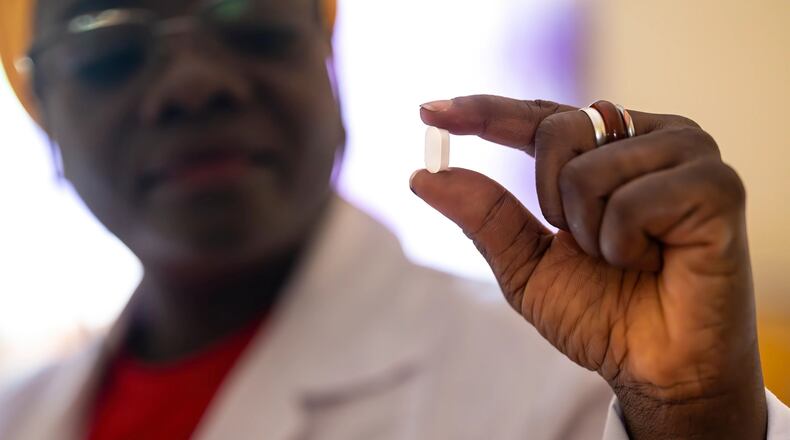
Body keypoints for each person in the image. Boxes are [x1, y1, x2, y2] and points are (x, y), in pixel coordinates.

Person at [0, 0, 788, 438]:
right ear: (40, 107)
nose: (196, 83)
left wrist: (694, 419)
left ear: (326, 48)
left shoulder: (572, 389)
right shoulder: (20, 414)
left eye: (253, 24)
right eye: (108, 47)